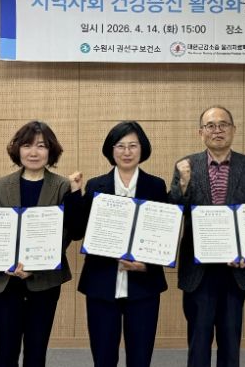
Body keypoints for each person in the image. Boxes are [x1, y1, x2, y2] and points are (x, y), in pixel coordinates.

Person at [0, 121, 83, 367]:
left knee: (36, 352)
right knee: (5, 352)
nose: (33, 152)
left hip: (44, 281)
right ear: (18, 149)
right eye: (27, 145)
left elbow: (71, 232)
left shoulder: (62, 186)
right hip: (5, 281)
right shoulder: (1, 184)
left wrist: (76, 194)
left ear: (51, 151)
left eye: (41, 146)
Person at [170, 106, 245, 367]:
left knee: (230, 341)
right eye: (210, 126)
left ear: (233, 130)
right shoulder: (185, 165)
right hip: (198, 270)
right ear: (200, 132)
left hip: (235, 269)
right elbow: (174, 212)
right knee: (198, 341)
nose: (217, 130)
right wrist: (183, 184)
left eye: (223, 125)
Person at [77, 121, 168, 367]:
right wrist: (75, 195)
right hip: (101, 283)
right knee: (103, 358)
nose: (127, 152)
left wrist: (146, 264)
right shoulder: (95, 185)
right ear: (111, 150)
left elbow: (164, 234)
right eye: (120, 146)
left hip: (143, 286)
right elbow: (78, 230)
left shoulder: (156, 186)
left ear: (142, 149)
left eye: (133, 146)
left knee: (140, 358)